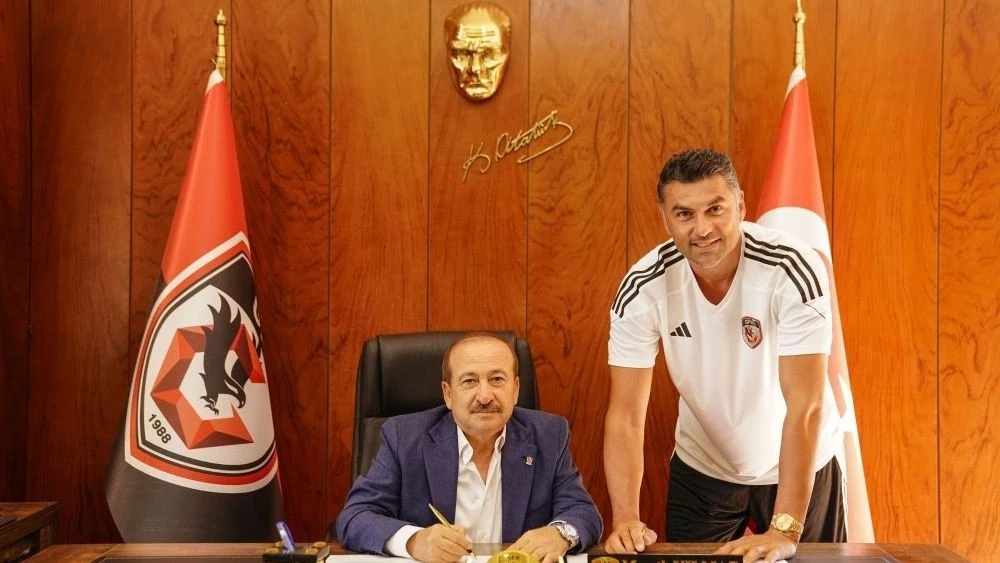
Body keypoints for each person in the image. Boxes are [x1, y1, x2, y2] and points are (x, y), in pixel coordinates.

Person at [602, 148, 846, 562]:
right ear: (665, 219)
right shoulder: (642, 288)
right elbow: (626, 414)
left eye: (715, 209)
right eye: (684, 214)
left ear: (741, 207)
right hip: (704, 467)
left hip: (802, 464)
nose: (702, 229)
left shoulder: (792, 267)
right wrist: (625, 519)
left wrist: (784, 528)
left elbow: (805, 405)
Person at [336, 333, 602, 563]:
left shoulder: (548, 436)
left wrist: (560, 534)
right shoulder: (404, 438)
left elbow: (583, 512)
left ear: (515, 390)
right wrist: (415, 541)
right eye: (470, 381)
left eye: (496, 379)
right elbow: (355, 516)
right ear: (448, 394)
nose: (485, 396)